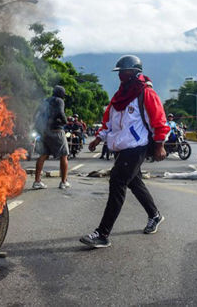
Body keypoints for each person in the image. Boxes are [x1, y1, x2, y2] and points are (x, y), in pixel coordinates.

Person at [81, 55, 170, 248]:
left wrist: (159, 144)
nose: (120, 75)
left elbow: (159, 120)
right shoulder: (119, 96)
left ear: (134, 72)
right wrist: (98, 138)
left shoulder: (146, 93)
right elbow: (109, 121)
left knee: (118, 181)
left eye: (124, 71)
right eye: (119, 72)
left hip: (137, 147)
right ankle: (155, 215)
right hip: (122, 147)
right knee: (134, 182)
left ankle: (102, 234)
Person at [33, 85, 70, 189]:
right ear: (60, 93)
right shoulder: (59, 101)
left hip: (45, 131)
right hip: (56, 130)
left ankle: (37, 181)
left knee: (43, 155)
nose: (63, 97)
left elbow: (36, 113)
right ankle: (63, 182)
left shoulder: (45, 100)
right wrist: (65, 122)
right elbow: (60, 113)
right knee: (64, 155)